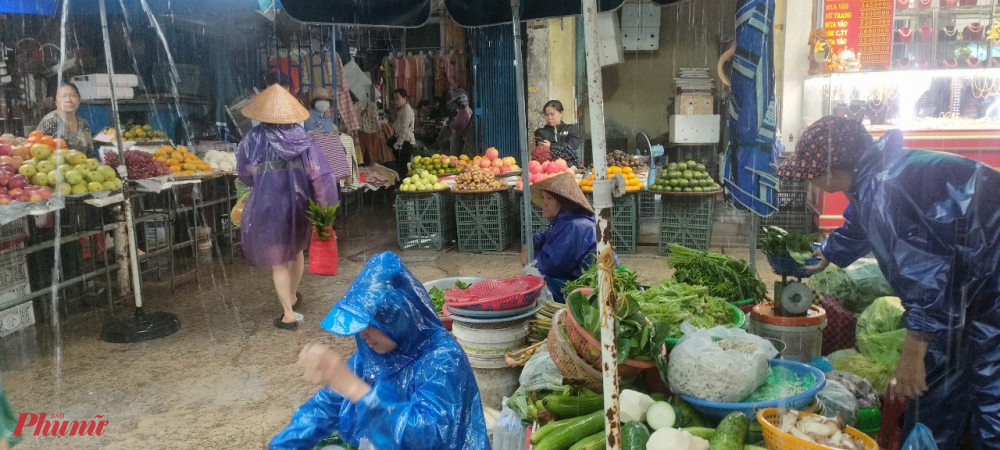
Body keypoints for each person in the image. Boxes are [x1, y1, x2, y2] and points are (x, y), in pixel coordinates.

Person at [778, 115, 1000, 450]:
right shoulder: (876, 177)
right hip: (971, 281)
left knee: (990, 388)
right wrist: (830, 252)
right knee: (941, 381)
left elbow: (926, 278)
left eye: (810, 172)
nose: (810, 181)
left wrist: (912, 355)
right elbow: (859, 222)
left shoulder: (885, 191)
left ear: (830, 168)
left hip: (988, 285)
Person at [269, 252, 489, 449]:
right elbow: (325, 407)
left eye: (371, 328)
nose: (364, 337)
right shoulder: (372, 354)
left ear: (397, 318)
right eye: (360, 329)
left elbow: (424, 437)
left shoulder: (442, 358)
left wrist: (356, 389)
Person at [237, 84, 339, 330]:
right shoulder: (304, 139)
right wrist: (325, 206)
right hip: (299, 205)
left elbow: (244, 173)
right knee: (295, 252)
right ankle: (292, 296)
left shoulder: (252, 139)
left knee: (277, 261)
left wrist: (260, 180)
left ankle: (288, 313)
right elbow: (321, 175)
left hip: (267, 206)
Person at [520, 173, 598, 303]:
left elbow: (549, 266)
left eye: (549, 198)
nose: (543, 204)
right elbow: (544, 237)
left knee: (535, 283)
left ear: (563, 203)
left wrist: (529, 257)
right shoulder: (562, 221)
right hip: (576, 279)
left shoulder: (574, 226)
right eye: (543, 197)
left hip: (591, 289)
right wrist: (527, 244)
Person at [37, 82, 92, 155]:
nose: (68, 100)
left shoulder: (83, 123)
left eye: (73, 95)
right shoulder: (50, 121)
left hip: (83, 165)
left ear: (79, 100)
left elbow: (90, 154)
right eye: (63, 96)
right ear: (55, 102)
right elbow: (39, 152)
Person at [534, 100, 581, 168]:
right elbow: (542, 154)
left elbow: (573, 146)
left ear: (561, 113)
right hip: (548, 168)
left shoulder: (571, 128)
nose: (549, 118)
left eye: (552, 114)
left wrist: (551, 145)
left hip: (569, 167)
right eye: (546, 115)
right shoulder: (540, 132)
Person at [390, 89, 415, 177]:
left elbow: (404, 129)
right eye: (394, 99)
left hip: (405, 143)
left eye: (397, 98)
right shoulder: (402, 110)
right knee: (401, 168)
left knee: (404, 169)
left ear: (404, 98)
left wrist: (398, 144)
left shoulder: (406, 111)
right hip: (402, 143)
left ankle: (404, 187)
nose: (395, 101)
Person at [449, 90, 472, 156]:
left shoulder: (463, 112)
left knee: (455, 153)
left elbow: (460, 125)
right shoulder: (468, 110)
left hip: (459, 134)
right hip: (463, 134)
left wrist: (452, 124)